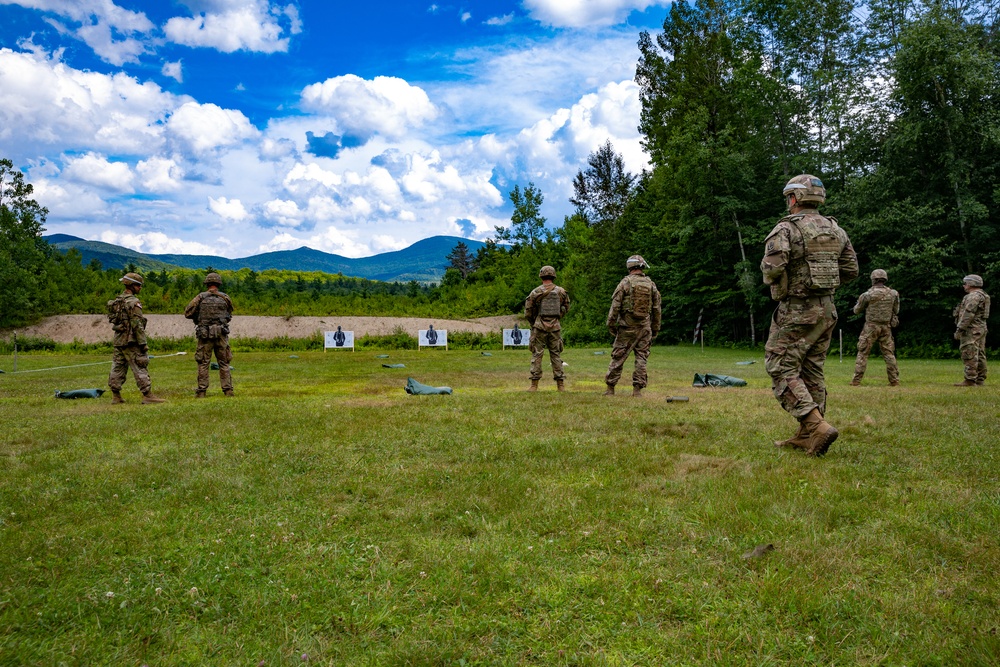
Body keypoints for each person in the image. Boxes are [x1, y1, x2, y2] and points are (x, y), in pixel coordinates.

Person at [762, 174, 858, 456]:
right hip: (827, 309)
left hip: (797, 308)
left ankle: (815, 425)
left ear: (794, 198)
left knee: (780, 366)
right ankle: (808, 435)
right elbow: (851, 270)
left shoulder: (786, 229)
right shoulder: (836, 229)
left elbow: (772, 269)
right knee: (811, 369)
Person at [603, 255, 661, 397]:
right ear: (641, 266)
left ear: (629, 267)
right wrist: (655, 328)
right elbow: (656, 309)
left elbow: (615, 306)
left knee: (618, 357)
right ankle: (637, 391)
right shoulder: (651, 284)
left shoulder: (625, 283)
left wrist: (610, 324)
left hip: (626, 327)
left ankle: (610, 389)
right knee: (641, 358)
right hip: (644, 327)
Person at [106, 272, 166, 404]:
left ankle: (116, 396)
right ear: (131, 285)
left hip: (119, 340)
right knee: (140, 365)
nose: (140, 288)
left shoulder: (117, 301)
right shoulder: (134, 302)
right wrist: (143, 343)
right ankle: (147, 395)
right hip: (131, 341)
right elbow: (137, 324)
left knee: (118, 367)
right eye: (138, 285)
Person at [184, 272, 234, 398]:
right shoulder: (225, 298)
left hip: (205, 335)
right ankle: (228, 390)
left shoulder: (200, 297)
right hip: (221, 334)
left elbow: (188, 313)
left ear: (207, 284)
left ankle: (201, 391)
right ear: (218, 284)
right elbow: (229, 315)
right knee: (224, 363)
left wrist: (199, 318)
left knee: (203, 362)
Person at [524, 265, 571, 391]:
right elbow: (566, 307)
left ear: (541, 276)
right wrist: (558, 317)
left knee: (537, 354)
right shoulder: (561, 291)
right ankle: (560, 385)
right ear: (553, 276)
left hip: (539, 326)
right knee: (556, 355)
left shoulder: (535, 292)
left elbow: (528, 311)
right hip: (555, 327)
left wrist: (533, 323)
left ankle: (534, 385)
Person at [850, 269, 900, 386]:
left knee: (863, 353)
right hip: (886, 327)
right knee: (889, 354)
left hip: (870, 327)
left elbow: (856, 310)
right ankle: (894, 380)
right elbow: (896, 310)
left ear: (873, 279)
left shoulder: (867, 295)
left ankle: (856, 381)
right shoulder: (893, 294)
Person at [953, 274, 990, 386]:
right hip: (980, 327)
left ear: (971, 284)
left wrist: (960, 329)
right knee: (980, 353)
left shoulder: (973, 296)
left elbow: (968, 314)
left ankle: (970, 379)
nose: (964, 285)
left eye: (965, 283)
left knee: (969, 352)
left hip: (972, 329)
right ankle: (980, 378)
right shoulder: (983, 295)